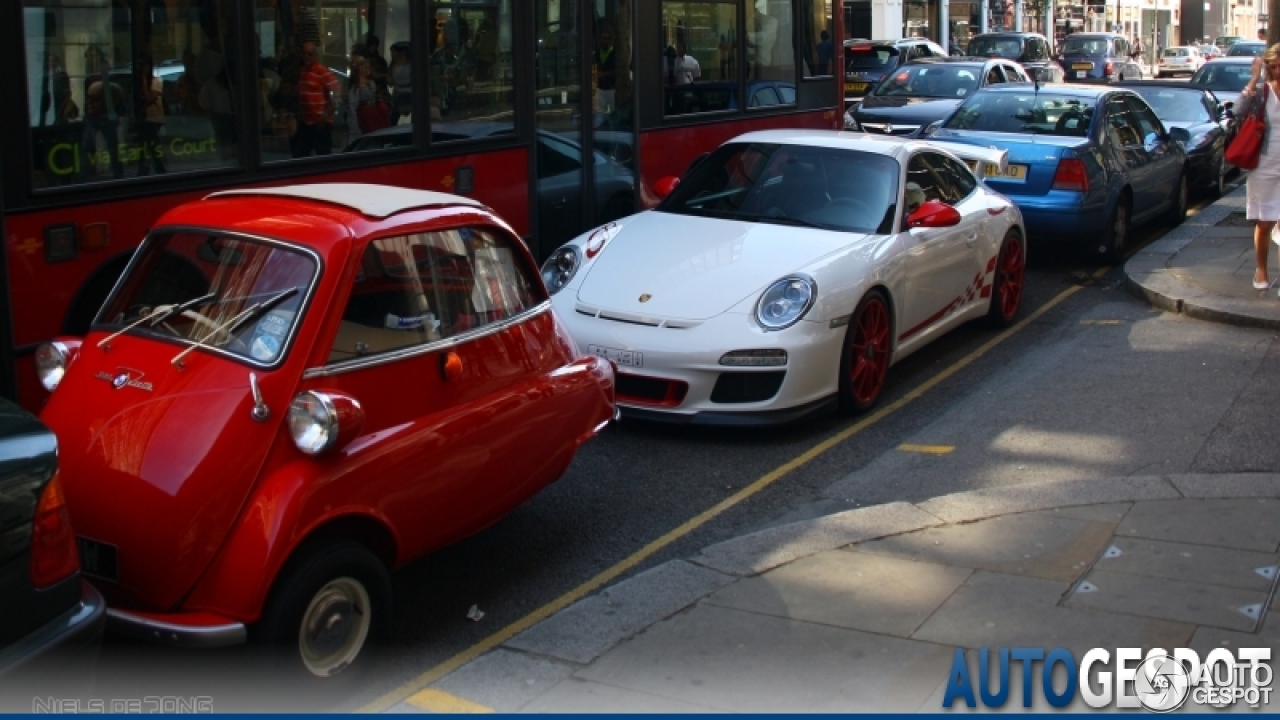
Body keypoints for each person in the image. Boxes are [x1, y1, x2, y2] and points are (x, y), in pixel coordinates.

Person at [1242, 44, 1280, 291]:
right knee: (1265, 222)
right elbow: (1238, 111)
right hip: (1265, 162)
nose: (1278, 70)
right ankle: (1261, 269)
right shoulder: (1263, 92)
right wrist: (1253, 80)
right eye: (1274, 66)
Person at [80, 44, 125, 179]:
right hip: (93, 115)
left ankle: (118, 174)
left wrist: (112, 113)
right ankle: (86, 175)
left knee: (112, 147)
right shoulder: (89, 75)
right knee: (87, 146)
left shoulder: (107, 73)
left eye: (93, 56)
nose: (90, 59)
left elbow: (115, 94)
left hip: (106, 115)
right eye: (89, 57)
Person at [292, 40, 339, 157]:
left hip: (320, 124)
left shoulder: (321, 71)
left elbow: (338, 92)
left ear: (315, 55)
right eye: (305, 54)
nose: (307, 57)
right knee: (300, 156)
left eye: (310, 54)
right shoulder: (303, 71)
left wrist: (326, 113)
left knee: (323, 157)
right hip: (306, 122)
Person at [133, 53, 167, 175]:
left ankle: (158, 170)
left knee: (151, 146)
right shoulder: (136, 82)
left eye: (142, 65)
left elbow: (149, 98)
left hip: (154, 118)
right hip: (144, 119)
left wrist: (143, 79)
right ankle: (148, 170)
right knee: (146, 147)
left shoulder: (156, 81)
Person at [346, 56, 388, 141]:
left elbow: (377, 100)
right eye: (364, 66)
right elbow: (352, 110)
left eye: (368, 66)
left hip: (374, 122)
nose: (368, 68)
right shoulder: (355, 89)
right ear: (358, 69)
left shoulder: (371, 84)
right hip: (361, 125)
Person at [596, 24, 617, 116]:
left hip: (612, 89)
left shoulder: (615, 53)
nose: (604, 41)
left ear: (611, 40)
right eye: (602, 38)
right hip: (600, 88)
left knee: (614, 113)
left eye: (607, 38)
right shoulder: (597, 52)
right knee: (599, 113)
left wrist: (603, 74)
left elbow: (618, 70)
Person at [389, 42, 412, 125]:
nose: (392, 54)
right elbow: (390, 82)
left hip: (409, 96)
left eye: (393, 52)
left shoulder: (411, 66)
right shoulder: (393, 66)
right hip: (397, 97)